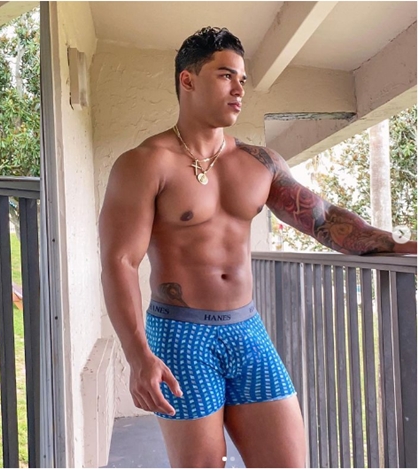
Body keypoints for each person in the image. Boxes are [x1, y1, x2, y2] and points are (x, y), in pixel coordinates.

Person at [98, 26, 416, 468]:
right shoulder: (145, 163)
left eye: (242, 79)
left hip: (246, 330)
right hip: (180, 335)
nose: (239, 89)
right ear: (188, 80)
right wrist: (138, 356)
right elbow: (120, 261)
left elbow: (323, 220)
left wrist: (399, 243)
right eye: (225, 76)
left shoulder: (259, 163)